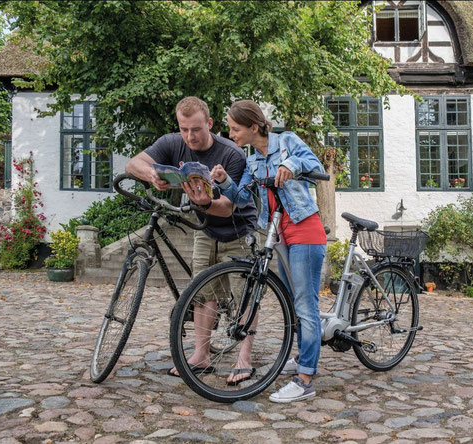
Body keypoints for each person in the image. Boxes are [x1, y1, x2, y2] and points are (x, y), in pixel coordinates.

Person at [125, 96, 258, 378]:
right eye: (184, 129)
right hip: (204, 229)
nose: (189, 136)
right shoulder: (173, 142)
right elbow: (132, 164)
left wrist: (205, 202)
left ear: (209, 124)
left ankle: (244, 358)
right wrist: (151, 174)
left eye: (196, 129)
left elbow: (228, 208)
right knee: (202, 292)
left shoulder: (232, 154)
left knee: (244, 294)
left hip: (237, 229)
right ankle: (201, 355)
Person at [211, 99, 327, 403]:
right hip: (278, 232)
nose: (231, 133)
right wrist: (224, 182)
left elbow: (317, 166)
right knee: (292, 301)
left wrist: (292, 164)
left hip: (304, 226)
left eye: (235, 128)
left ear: (253, 126)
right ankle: (303, 356)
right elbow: (241, 198)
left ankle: (305, 379)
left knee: (306, 304)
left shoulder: (287, 142)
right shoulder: (252, 162)